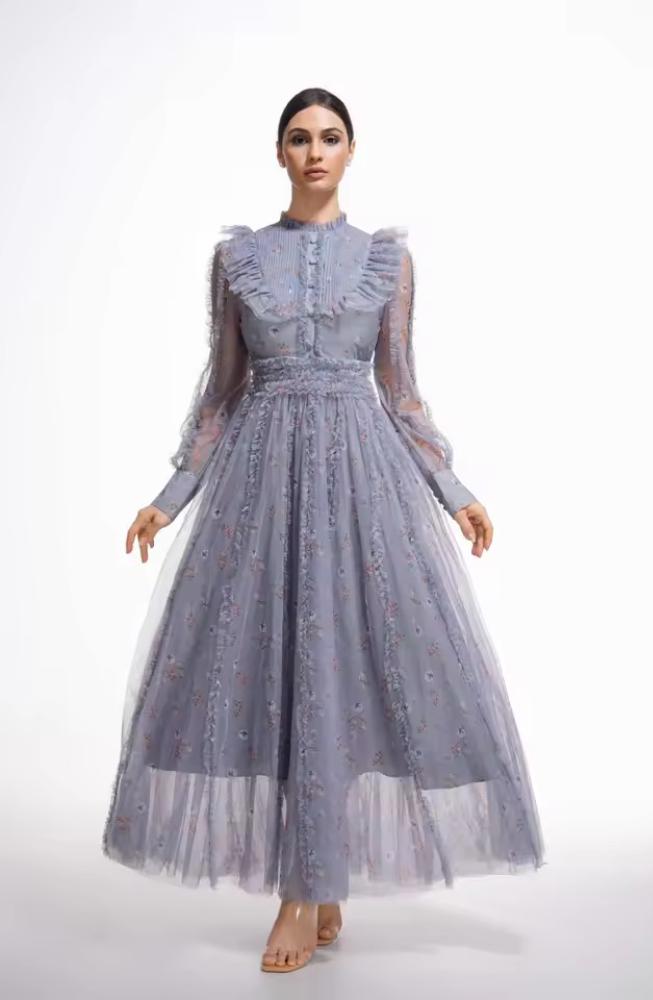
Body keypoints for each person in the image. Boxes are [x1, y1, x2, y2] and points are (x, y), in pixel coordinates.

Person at [101, 87, 546, 974]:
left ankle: (313, 883)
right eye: (299, 138)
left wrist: (453, 490)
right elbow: (221, 393)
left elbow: (402, 390)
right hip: (260, 487)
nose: (314, 151)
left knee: (350, 674)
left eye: (330, 137)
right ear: (279, 153)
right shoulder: (238, 261)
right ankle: (306, 886)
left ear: (351, 150)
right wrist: (171, 495)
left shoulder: (386, 261)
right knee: (278, 674)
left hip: (361, 485)